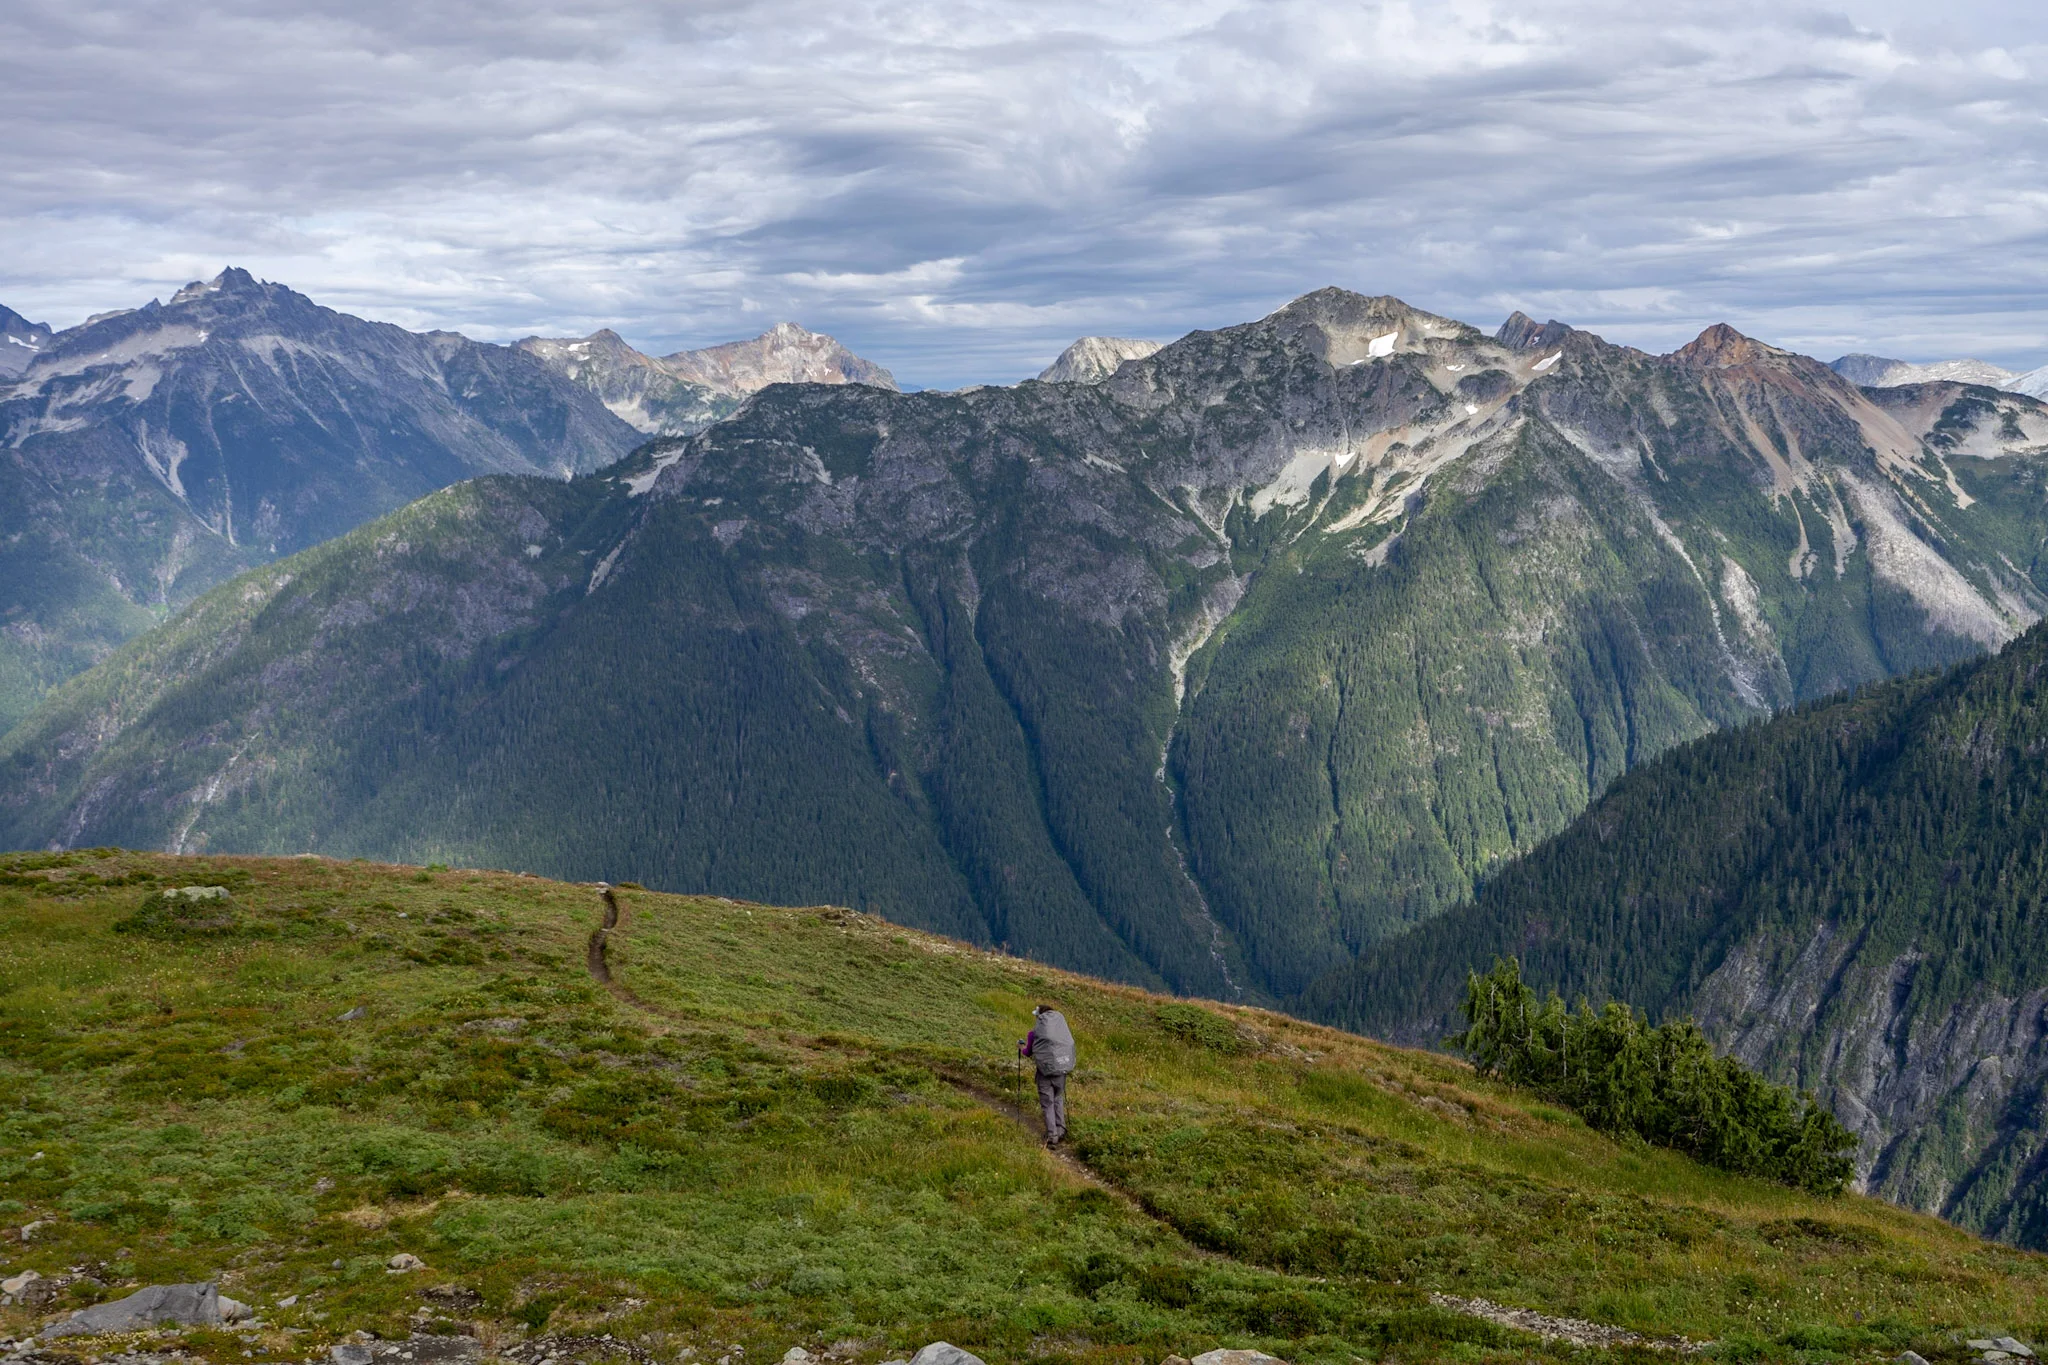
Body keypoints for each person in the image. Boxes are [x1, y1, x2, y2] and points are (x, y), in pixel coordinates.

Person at [1018, 1004, 1076, 1147]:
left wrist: (1020, 1048)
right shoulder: (1061, 1034)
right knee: (1058, 1099)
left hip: (1044, 1074)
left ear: (1040, 1017)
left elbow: (1028, 1053)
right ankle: (1061, 1129)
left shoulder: (1033, 1034)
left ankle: (1052, 1136)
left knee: (1047, 1103)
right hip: (1060, 1072)